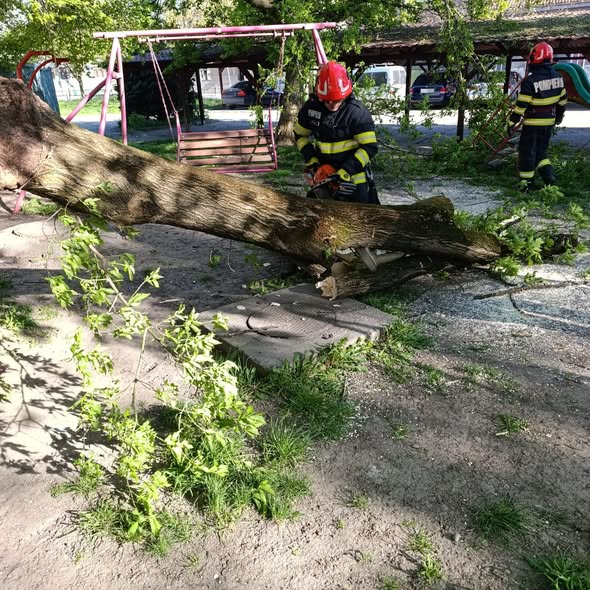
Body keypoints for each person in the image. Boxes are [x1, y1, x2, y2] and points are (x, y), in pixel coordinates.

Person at [294, 61, 379, 204]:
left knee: (362, 214)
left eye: (337, 100)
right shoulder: (311, 109)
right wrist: (312, 161)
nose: (332, 104)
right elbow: (300, 135)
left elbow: (370, 147)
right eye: (328, 101)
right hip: (325, 177)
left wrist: (346, 171)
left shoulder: (356, 113)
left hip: (354, 178)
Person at [509, 41, 567, 191]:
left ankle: (526, 185)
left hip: (533, 123)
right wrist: (558, 118)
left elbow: (522, 105)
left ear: (534, 58)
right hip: (549, 122)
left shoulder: (531, 80)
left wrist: (512, 122)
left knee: (527, 152)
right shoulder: (558, 78)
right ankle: (549, 177)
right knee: (541, 152)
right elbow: (562, 102)